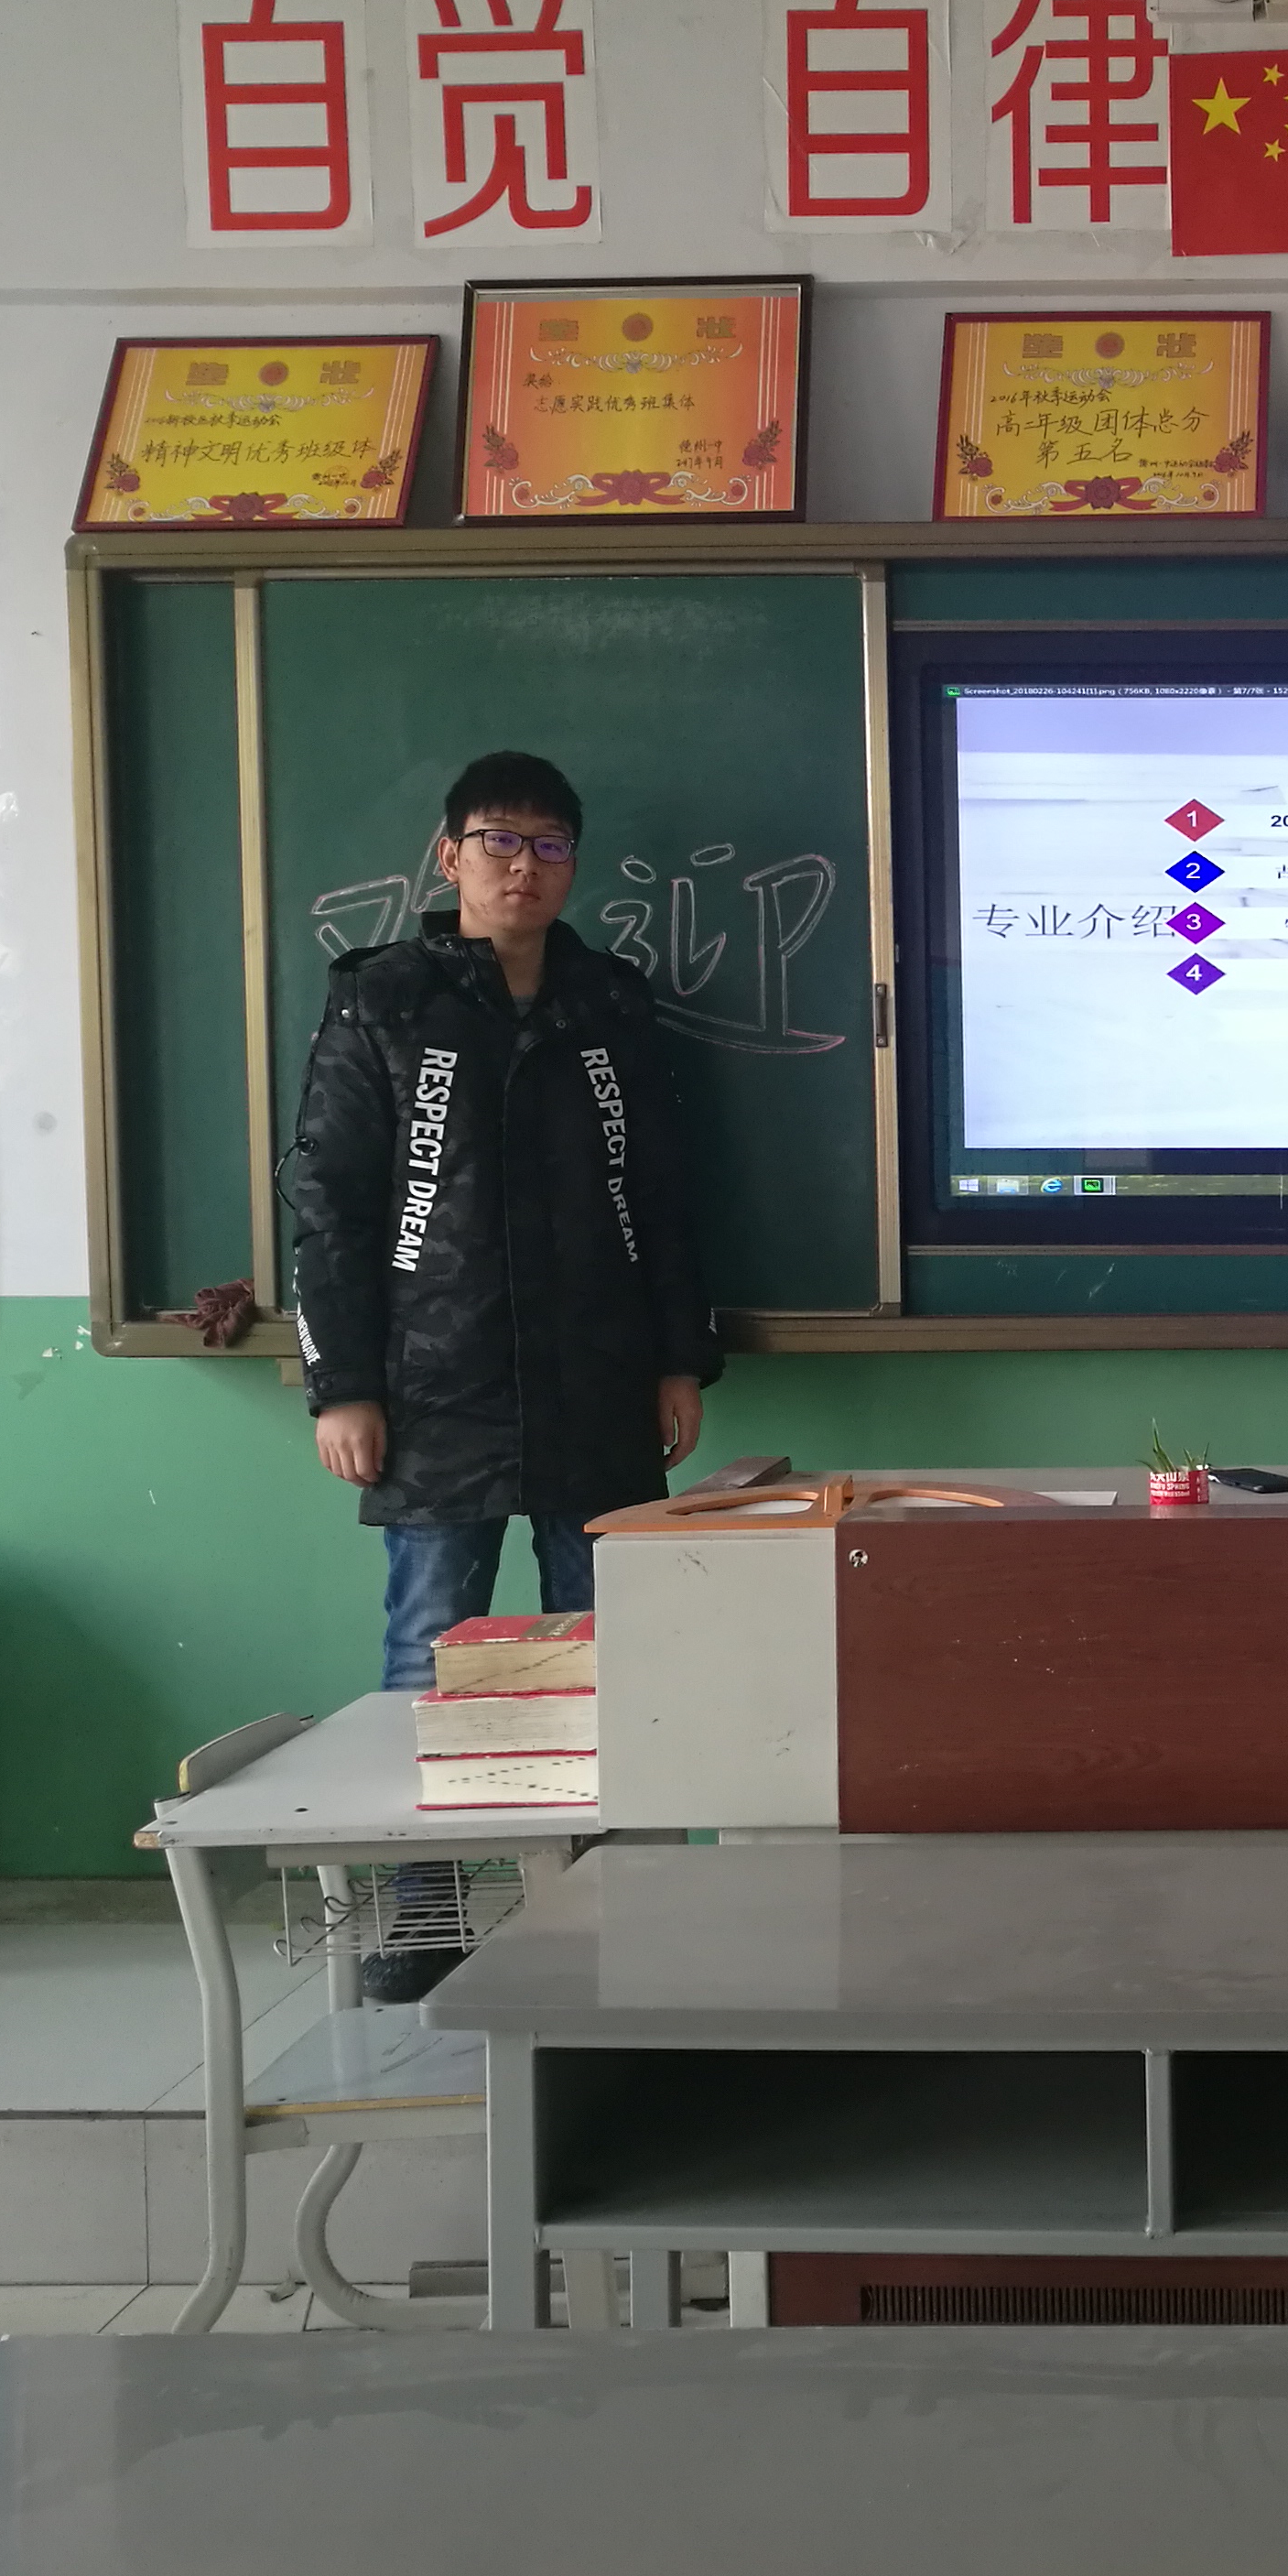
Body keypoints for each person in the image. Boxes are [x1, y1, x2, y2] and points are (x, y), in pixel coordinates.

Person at [287, 750, 720, 1999]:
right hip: (436, 1384)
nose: (523, 866)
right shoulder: (384, 1001)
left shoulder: (609, 1006)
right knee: (430, 1657)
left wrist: (679, 1359)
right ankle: (421, 1919)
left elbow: (663, 1193)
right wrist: (342, 1385)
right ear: (451, 856)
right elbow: (327, 1201)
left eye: (549, 845)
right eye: (499, 841)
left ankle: (613, 1905)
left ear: (573, 863)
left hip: (601, 1379)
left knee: (610, 1655)